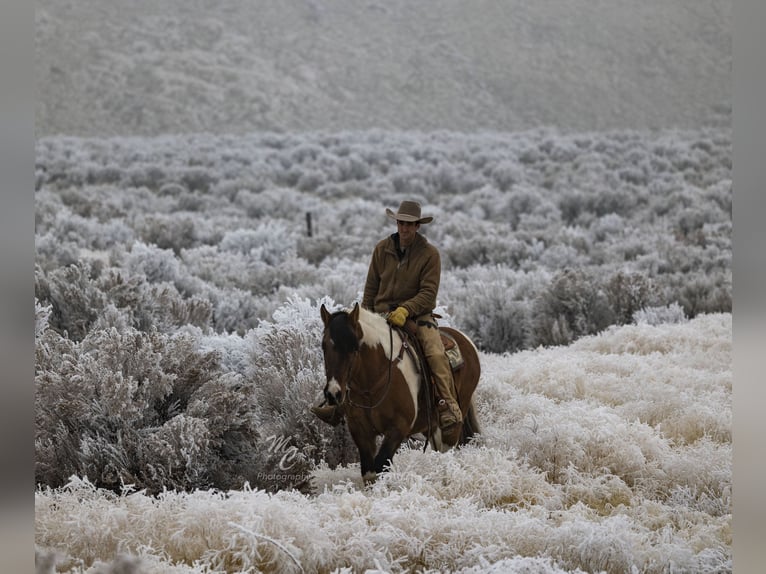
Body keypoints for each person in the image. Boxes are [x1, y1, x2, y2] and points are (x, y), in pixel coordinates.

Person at [312, 200, 463, 443]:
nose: (404, 228)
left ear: (417, 226)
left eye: (410, 224)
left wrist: (406, 309)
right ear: (397, 223)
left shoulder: (429, 255)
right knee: (347, 347)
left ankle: (447, 406)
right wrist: (367, 317)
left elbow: (428, 293)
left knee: (434, 352)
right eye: (401, 223)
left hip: (417, 316)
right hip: (380, 316)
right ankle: (337, 404)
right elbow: (370, 289)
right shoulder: (382, 249)